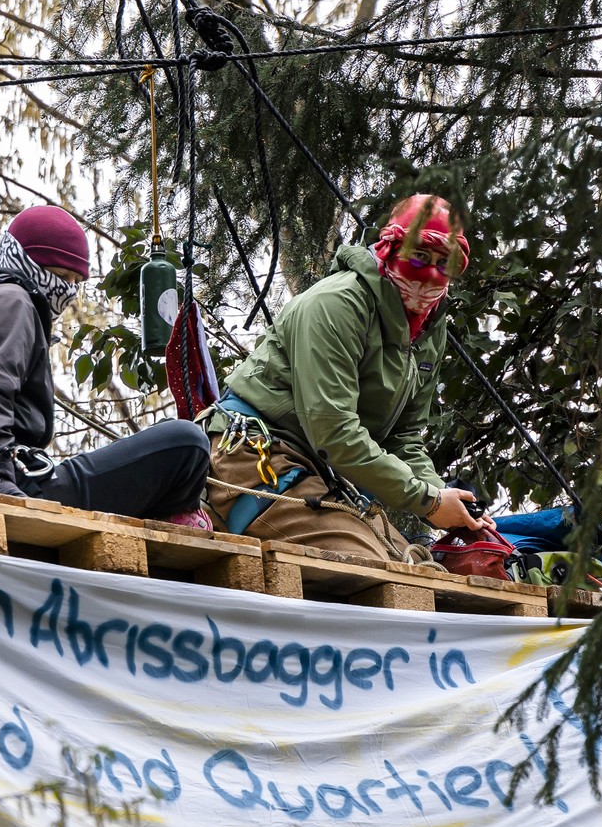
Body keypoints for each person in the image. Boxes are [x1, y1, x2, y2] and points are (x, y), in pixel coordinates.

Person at [200, 194, 495, 561]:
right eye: (419, 256)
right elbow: (334, 432)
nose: (430, 273)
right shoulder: (336, 305)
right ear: (390, 250)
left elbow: (403, 437)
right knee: (372, 566)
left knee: (422, 570)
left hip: (319, 474)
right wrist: (429, 502)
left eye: (444, 262)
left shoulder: (429, 329)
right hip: (257, 455)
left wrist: (449, 505)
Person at [0, 205, 211, 519]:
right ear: (26, 263)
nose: (67, 290)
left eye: (74, 281)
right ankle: (171, 515)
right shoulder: (10, 301)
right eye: (59, 275)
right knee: (187, 443)